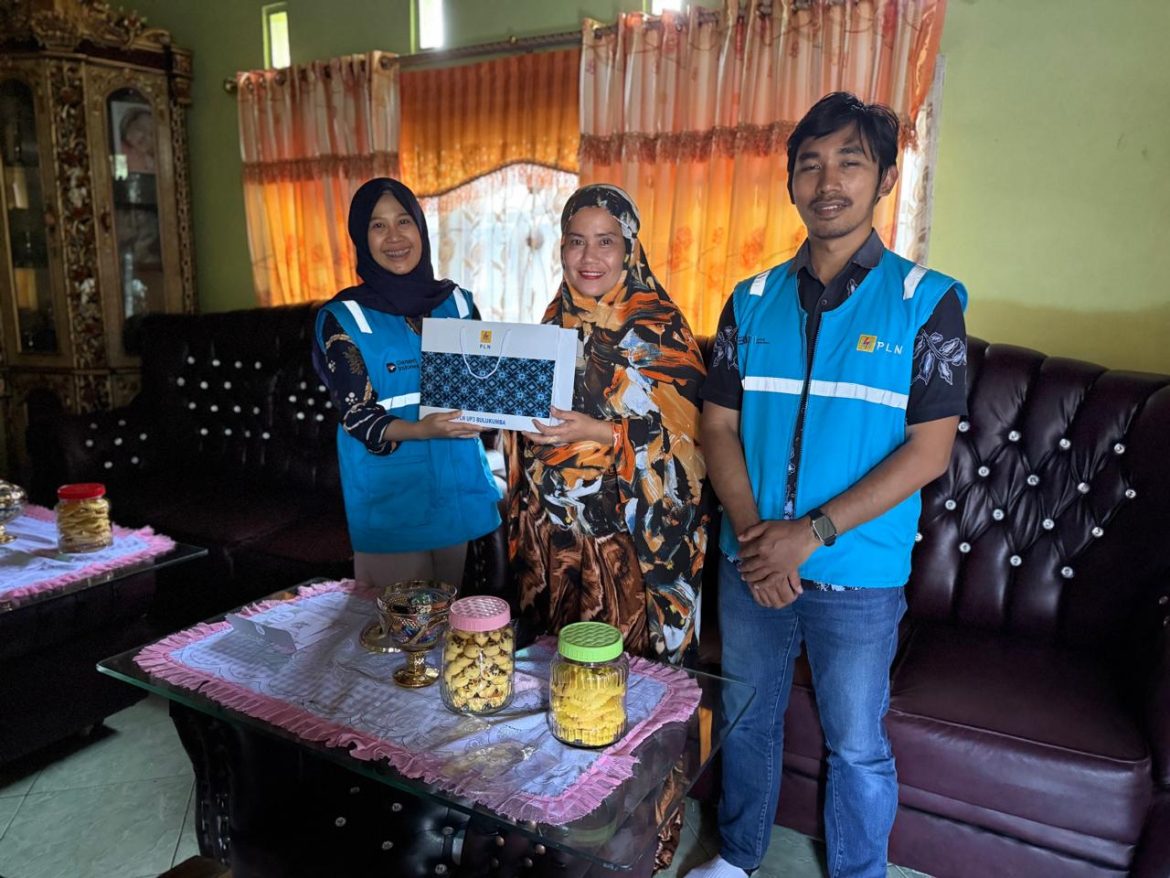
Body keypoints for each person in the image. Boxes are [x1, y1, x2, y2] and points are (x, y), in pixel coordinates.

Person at [688, 93, 969, 878]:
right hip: (751, 559)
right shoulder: (750, 301)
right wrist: (760, 541)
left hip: (857, 571)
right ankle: (737, 857)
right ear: (790, 183)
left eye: (850, 161)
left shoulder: (926, 303)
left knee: (855, 743)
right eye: (809, 164)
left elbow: (929, 452)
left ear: (885, 178)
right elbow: (717, 427)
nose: (827, 181)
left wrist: (806, 536)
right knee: (746, 716)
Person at [508, 184, 707, 666]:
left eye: (605, 241)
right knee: (558, 673)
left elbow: (693, 443)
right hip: (555, 540)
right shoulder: (553, 320)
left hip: (629, 546)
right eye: (576, 241)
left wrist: (600, 432)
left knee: (624, 679)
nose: (589, 257)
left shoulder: (661, 329)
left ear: (629, 248)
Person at [313, 178, 501, 588]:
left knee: (448, 617)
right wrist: (422, 429)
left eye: (404, 221)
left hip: (455, 482)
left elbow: (483, 385)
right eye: (378, 226)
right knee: (404, 624)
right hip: (391, 494)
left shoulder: (457, 303)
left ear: (420, 227)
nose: (394, 237)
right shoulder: (344, 317)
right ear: (362, 238)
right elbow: (357, 416)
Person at [119, 106, 155, 174]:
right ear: (127, 127)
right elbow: (119, 174)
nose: (146, 137)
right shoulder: (119, 149)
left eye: (152, 134)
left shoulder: (155, 162)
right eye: (141, 129)